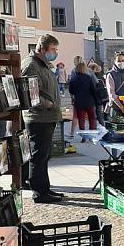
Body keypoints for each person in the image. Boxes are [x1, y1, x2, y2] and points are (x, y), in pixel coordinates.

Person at [21, 34, 64, 203]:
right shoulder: (31, 65)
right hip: (38, 118)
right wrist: (48, 104)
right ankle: (39, 192)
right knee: (38, 157)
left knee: (44, 155)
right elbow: (30, 93)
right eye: (53, 49)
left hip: (47, 117)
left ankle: (44, 188)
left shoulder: (43, 64)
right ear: (42, 48)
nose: (55, 52)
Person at [68, 61, 98, 131]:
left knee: (81, 119)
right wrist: (96, 100)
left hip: (79, 101)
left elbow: (71, 91)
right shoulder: (88, 77)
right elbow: (93, 90)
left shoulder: (73, 79)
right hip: (89, 101)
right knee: (92, 118)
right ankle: (92, 133)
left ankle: (83, 135)